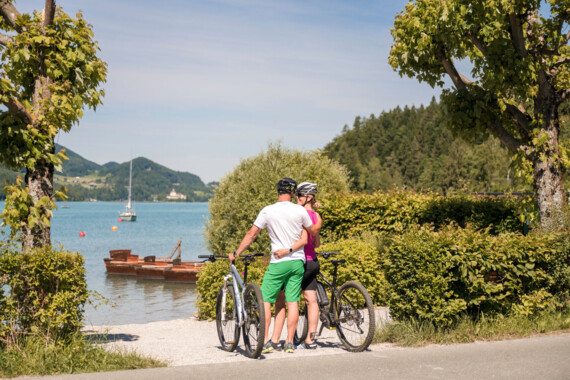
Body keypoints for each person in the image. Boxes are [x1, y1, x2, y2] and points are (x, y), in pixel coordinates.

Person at [229, 178, 318, 354]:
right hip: (297, 262)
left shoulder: (267, 211)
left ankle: (265, 339)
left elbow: (251, 234)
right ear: (293, 193)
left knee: (266, 301)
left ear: (277, 191)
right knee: (293, 302)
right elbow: (312, 231)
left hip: (278, 263)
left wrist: (236, 253)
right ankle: (290, 343)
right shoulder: (300, 210)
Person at [272, 182, 322, 350]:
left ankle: (287, 340)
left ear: (308, 197)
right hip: (313, 261)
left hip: (299, 260)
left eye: (300, 195)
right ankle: (310, 339)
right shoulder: (316, 216)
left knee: (288, 300)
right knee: (311, 300)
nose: (296, 198)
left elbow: (297, 238)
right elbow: (317, 243)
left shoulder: (298, 214)